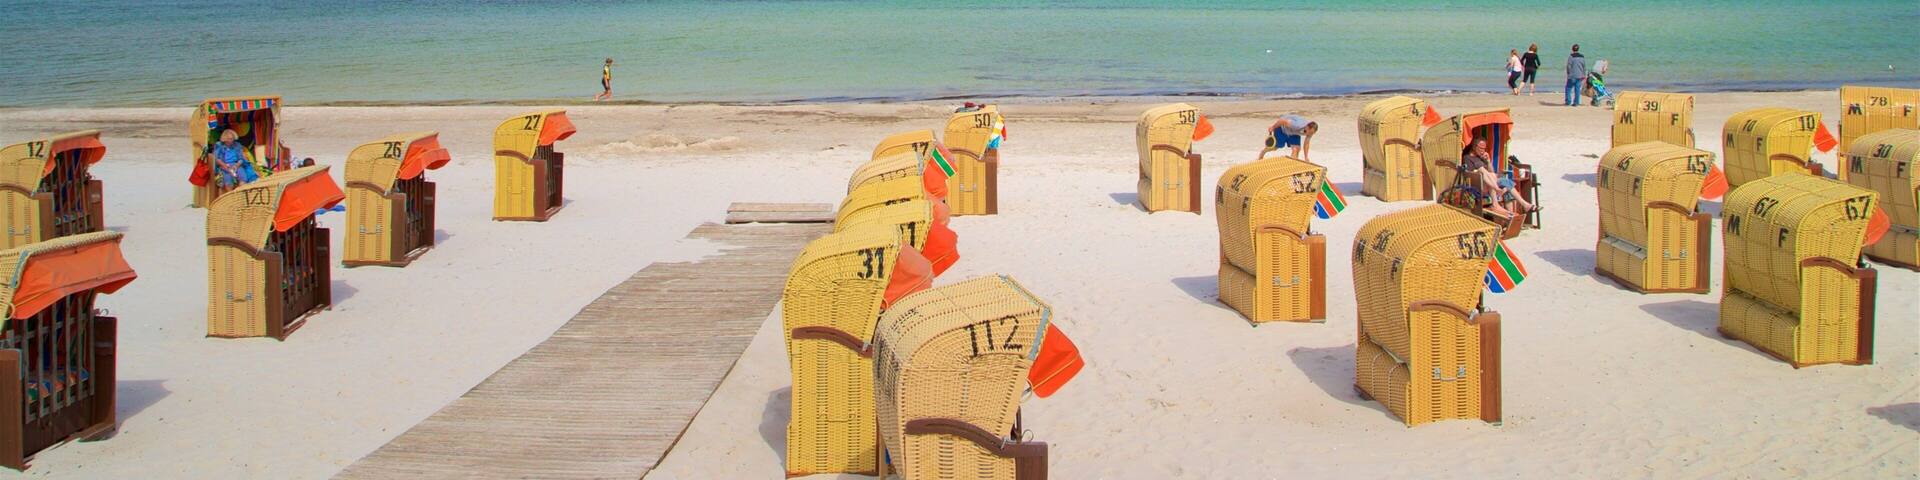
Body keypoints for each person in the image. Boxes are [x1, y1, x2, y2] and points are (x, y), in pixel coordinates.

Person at [1462, 138, 1533, 217]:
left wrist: (1488, 161)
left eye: (1484, 148)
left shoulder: (1480, 157)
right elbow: (1474, 174)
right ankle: (1496, 203)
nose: (1483, 150)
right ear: (1474, 146)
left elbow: (1491, 171)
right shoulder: (1468, 158)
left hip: (1489, 183)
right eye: (1481, 148)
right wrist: (1496, 185)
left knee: (1506, 183)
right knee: (1500, 181)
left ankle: (1515, 212)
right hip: (1479, 185)